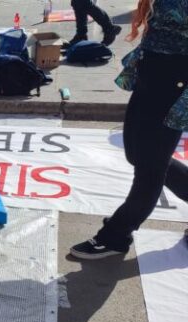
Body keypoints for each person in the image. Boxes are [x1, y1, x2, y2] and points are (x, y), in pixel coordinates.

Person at [70, 0, 188, 259]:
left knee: (150, 167)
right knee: (136, 153)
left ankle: (116, 235)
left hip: (174, 84)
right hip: (153, 75)